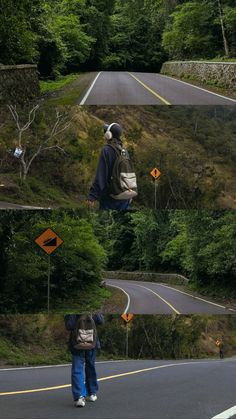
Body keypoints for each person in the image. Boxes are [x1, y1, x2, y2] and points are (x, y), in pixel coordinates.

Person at [86, 123, 131, 210]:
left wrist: (92, 196)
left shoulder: (106, 150)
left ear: (108, 135)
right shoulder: (125, 151)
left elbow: (101, 175)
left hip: (110, 198)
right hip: (125, 197)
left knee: (106, 222)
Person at [64, 313, 104, 408]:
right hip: (92, 342)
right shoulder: (94, 305)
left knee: (77, 369)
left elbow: (69, 325)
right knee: (91, 367)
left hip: (77, 343)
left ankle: (79, 397)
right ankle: (91, 393)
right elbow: (101, 321)